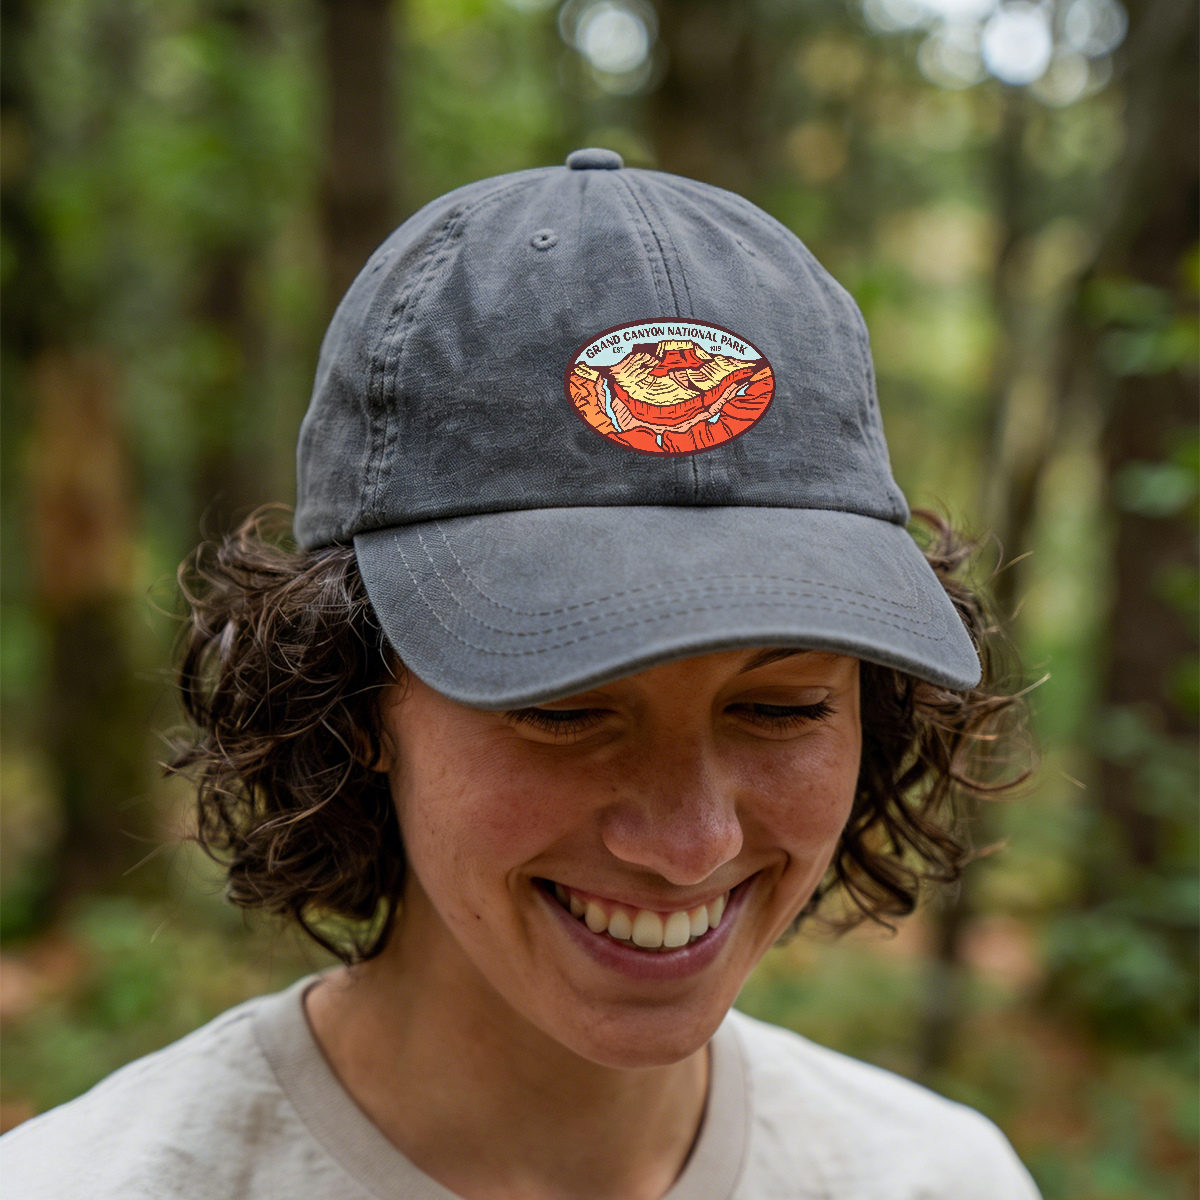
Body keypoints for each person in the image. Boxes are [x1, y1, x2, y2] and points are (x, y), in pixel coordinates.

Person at [1, 148, 1042, 1199]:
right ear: (352, 695)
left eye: (781, 708)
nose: (691, 846)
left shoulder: (935, 1178)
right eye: (564, 708)